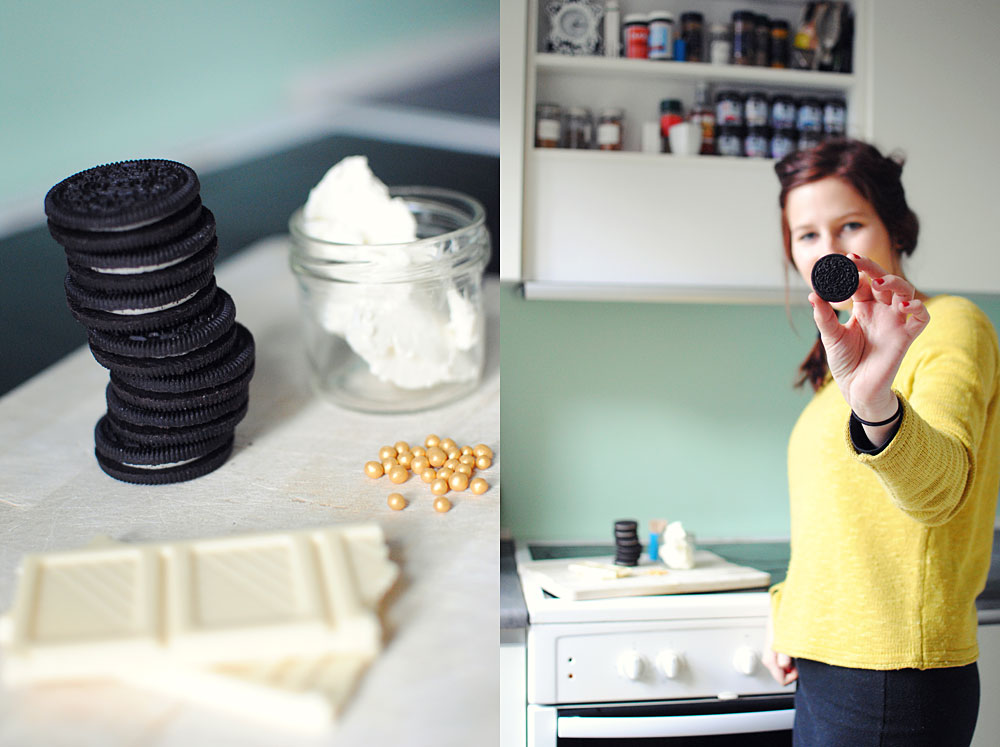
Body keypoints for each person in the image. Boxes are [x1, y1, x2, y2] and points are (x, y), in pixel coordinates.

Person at [762, 138, 1000, 746]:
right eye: (806, 234)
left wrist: (873, 405)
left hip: (893, 673)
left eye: (850, 224)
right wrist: (789, 615)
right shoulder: (835, 368)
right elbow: (833, 523)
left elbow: (942, 489)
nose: (829, 250)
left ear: (894, 226)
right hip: (822, 662)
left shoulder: (949, 325)